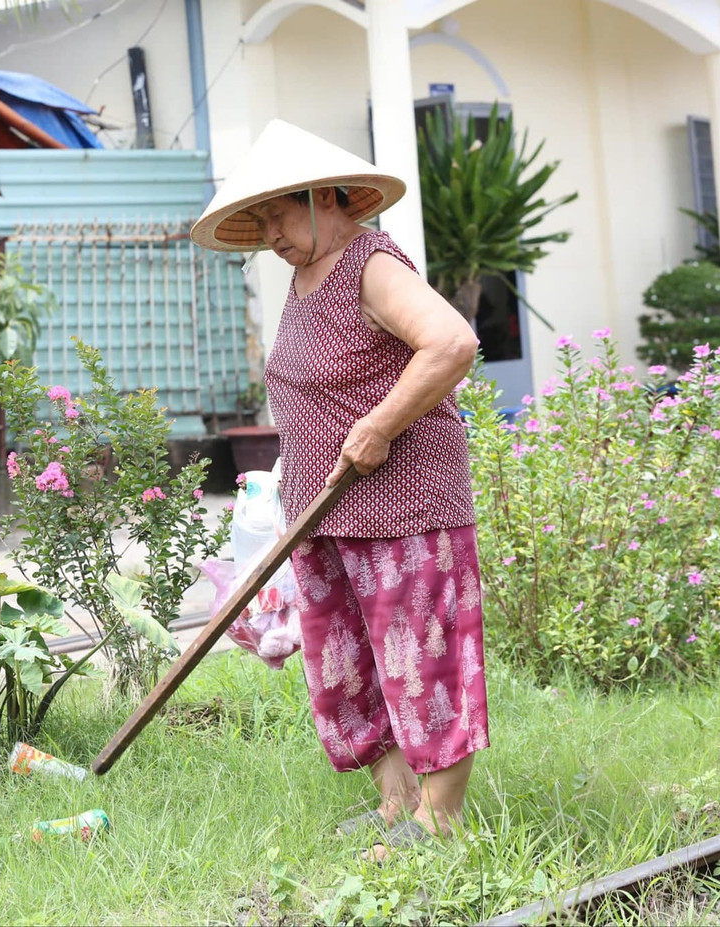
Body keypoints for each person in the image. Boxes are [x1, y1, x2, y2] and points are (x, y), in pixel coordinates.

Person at [191, 120, 486, 858]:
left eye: (277, 216)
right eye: (256, 222)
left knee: (423, 658)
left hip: (406, 505)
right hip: (327, 510)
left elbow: (451, 342)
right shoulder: (301, 279)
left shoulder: (370, 264)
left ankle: (441, 820)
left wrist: (381, 425)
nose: (268, 235)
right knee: (346, 664)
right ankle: (397, 799)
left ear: (324, 198)